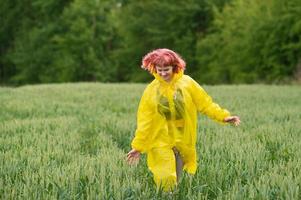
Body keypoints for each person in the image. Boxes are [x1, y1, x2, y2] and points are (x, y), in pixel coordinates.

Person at [126, 48, 240, 191]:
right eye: (159, 69)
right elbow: (144, 121)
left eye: (166, 69)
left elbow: (205, 103)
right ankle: (166, 196)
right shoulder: (151, 90)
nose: (162, 73)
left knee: (177, 180)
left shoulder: (188, 83)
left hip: (183, 139)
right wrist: (138, 146)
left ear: (174, 67)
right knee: (165, 178)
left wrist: (223, 116)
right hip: (160, 140)